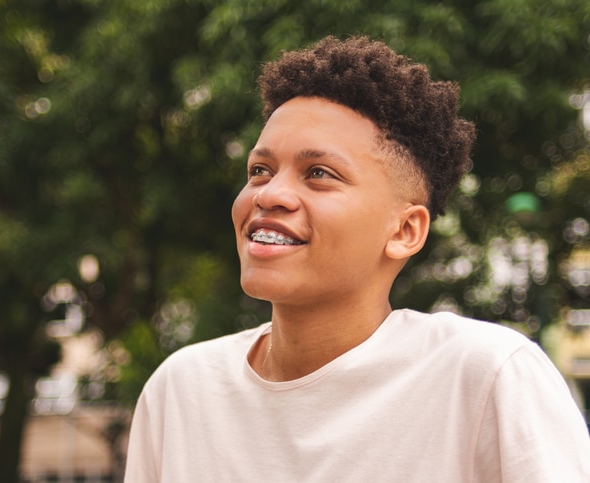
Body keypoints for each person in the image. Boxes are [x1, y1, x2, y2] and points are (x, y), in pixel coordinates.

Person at [124, 35, 590, 482]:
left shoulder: (486, 376)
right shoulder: (180, 390)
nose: (271, 194)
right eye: (260, 170)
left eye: (319, 174)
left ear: (405, 231)